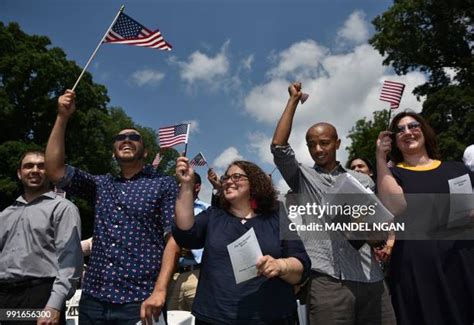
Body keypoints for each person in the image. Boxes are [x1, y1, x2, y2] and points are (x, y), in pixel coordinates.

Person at [45, 90, 180, 324]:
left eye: (134, 137)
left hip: (141, 300)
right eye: (120, 138)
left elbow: (174, 239)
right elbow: (55, 171)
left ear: (145, 152)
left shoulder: (163, 184)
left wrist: (160, 290)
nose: (126, 139)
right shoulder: (100, 185)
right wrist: (62, 118)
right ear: (114, 151)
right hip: (93, 300)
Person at [271, 82, 395, 324]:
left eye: (324, 143)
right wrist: (293, 101)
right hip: (327, 281)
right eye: (311, 145)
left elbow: (377, 228)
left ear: (337, 144)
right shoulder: (302, 178)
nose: (318, 149)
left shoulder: (361, 180)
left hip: (370, 278)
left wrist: (374, 234)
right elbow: (279, 148)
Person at [173, 157, 311, 324]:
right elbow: (185, 233)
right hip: (215, 317)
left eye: (236, 177)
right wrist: (187, 185)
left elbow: (301, 263)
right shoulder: (213, 216)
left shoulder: (277, 217)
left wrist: (281, 266)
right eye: (226, 178)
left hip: (272, 317)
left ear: (254, 182)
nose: (229, 181)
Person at [376, 111, 474, 324]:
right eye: (400, 130)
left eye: (413, 126)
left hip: (460, 264)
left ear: (424, 130)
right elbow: (394, 205)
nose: (407, 132)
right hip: (417, 272)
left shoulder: (456, 169)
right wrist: (380, 158)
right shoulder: (393, 175)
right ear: (394, 141)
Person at [0, 150, 82, 325]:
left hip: (41, 297)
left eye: (41, 166)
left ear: (50, 172)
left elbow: (70, 261)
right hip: (6, 298)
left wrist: (54, 306)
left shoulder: (63, 209)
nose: (35, 170)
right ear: (19, 173)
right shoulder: (4, 214)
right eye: (28, 166)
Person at [167, 172, 210, 311]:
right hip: (172, 276)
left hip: (197, 275)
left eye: (186, 183)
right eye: (178, 183)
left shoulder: (208, 210)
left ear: (197, 187)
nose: (180, 186)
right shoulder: (167, 209)